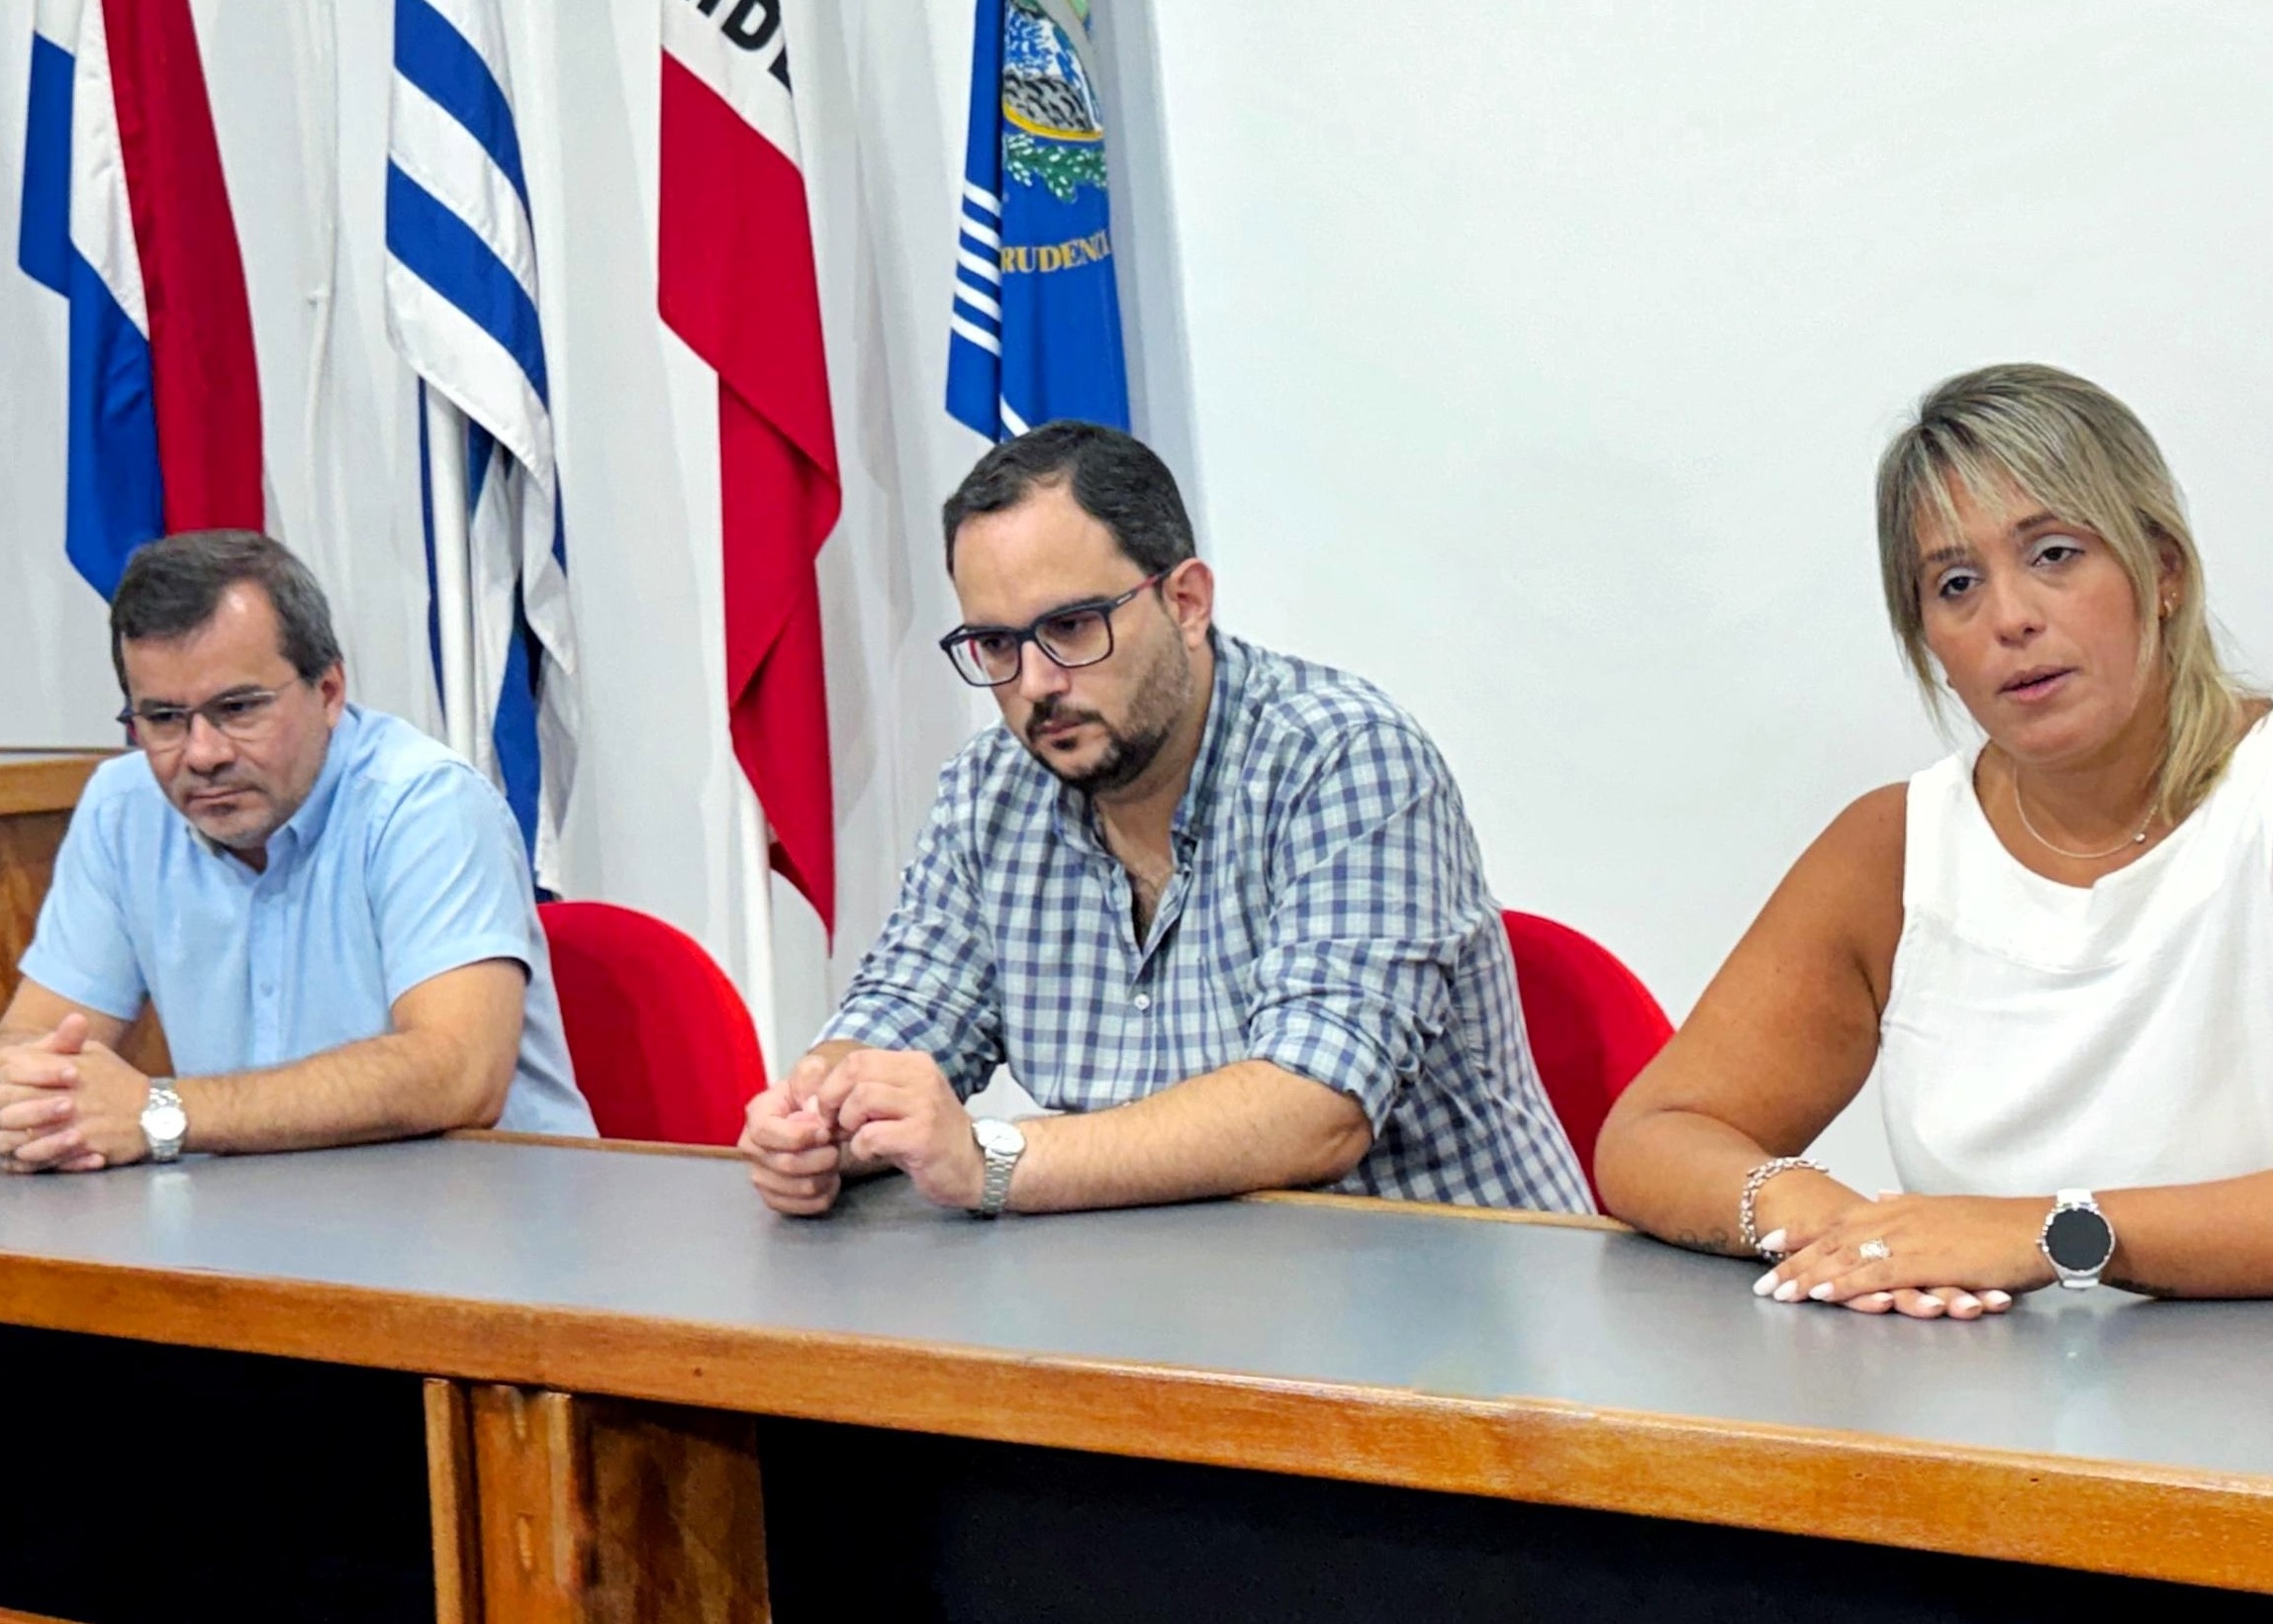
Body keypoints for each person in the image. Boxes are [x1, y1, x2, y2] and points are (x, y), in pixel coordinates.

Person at [741, 422, 1587, 1217]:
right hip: (1170, 1290)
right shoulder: (989, 790)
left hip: (1443, 1291)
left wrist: (992, 1159)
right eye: (997, 644)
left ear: (1185, 602)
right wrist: (819, 1115)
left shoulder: (1344, 758)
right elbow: (903, 1009)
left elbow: (1317, 1107)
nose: (1034, 683)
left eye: (1071, 627)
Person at [1596, 362, 2273, 1315]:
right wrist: (1833, 1223)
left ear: (2162, 571)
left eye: (2054, 554)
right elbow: (1654, 1134)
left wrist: (2048, 1234)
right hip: (1975, 1386)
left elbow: (2024, 1237)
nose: (2010, 618)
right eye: (1955, 584)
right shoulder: (1896, 848)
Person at [0, 530, 594, 1173]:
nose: (203, 753)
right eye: (164, 718)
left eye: (237, 708)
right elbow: (35, 1037)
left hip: (484, 1213)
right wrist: (29, 1100)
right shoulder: (123, 808)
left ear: (329, 691)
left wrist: (159, 1112)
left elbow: (458, 1074)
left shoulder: (425, 805)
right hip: (251, 1211)